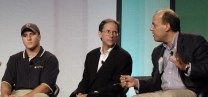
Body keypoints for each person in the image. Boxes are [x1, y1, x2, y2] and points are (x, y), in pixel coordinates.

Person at [120, 9, 208, 97]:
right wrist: (136, 82)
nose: (151, 29)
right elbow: (155, 83)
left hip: (189, 91)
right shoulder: (157, 52)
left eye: (154, 25)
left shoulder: (194, 42)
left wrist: (185, 67)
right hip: (163, 92)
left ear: (167, 26)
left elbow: (205, 69)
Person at [70, 19, 132, 97]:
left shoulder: (124, 57)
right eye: (108, 31)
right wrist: (79, 93)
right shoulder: (91, 55)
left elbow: (117, 87)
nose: (111, 35)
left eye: (114, 32)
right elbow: (85, 80)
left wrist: (89, 96)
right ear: (100, 34)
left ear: (117, 36)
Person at [1, 23, 59, 97]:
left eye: (32, 34)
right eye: (25, 35)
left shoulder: (50, 59)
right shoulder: (14, 59)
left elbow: (46, 86)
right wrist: (5, 95)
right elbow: (6, 82)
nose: (28, 38)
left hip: (38, 94)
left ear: (39, 37)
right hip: (16, 93)